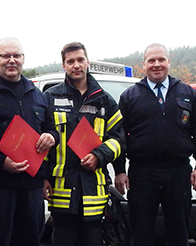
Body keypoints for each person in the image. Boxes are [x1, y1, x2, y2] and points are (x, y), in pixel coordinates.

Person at [115, 43, 196, 246]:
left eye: (161, 60)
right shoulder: (130, 97)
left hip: (178, 173)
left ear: (169, 62)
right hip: (142, 174)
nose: (156, 64)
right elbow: (119, 137)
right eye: (151, 60)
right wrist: (120, 171)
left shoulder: (187, 93)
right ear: (144, 65)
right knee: (140, 234)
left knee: (179, 233)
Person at [0, 37, 59, 246]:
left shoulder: (37, 95)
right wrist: (0, 161)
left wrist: (52, 137)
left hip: (31, 190)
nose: (11, 60)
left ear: (23, 59)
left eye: (16, 56)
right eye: (5, 56)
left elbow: (51, 129)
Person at [43, 42, 126, 246]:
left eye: (80, 60)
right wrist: (42, 177)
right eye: (70, 61)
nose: (76, 65)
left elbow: (119, 140)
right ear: (64, 65)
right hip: (61, 191)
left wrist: (100, 155)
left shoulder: (105, 101)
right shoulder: (50, 98)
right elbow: (41, 140)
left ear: (87, 62)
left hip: (94, 193)